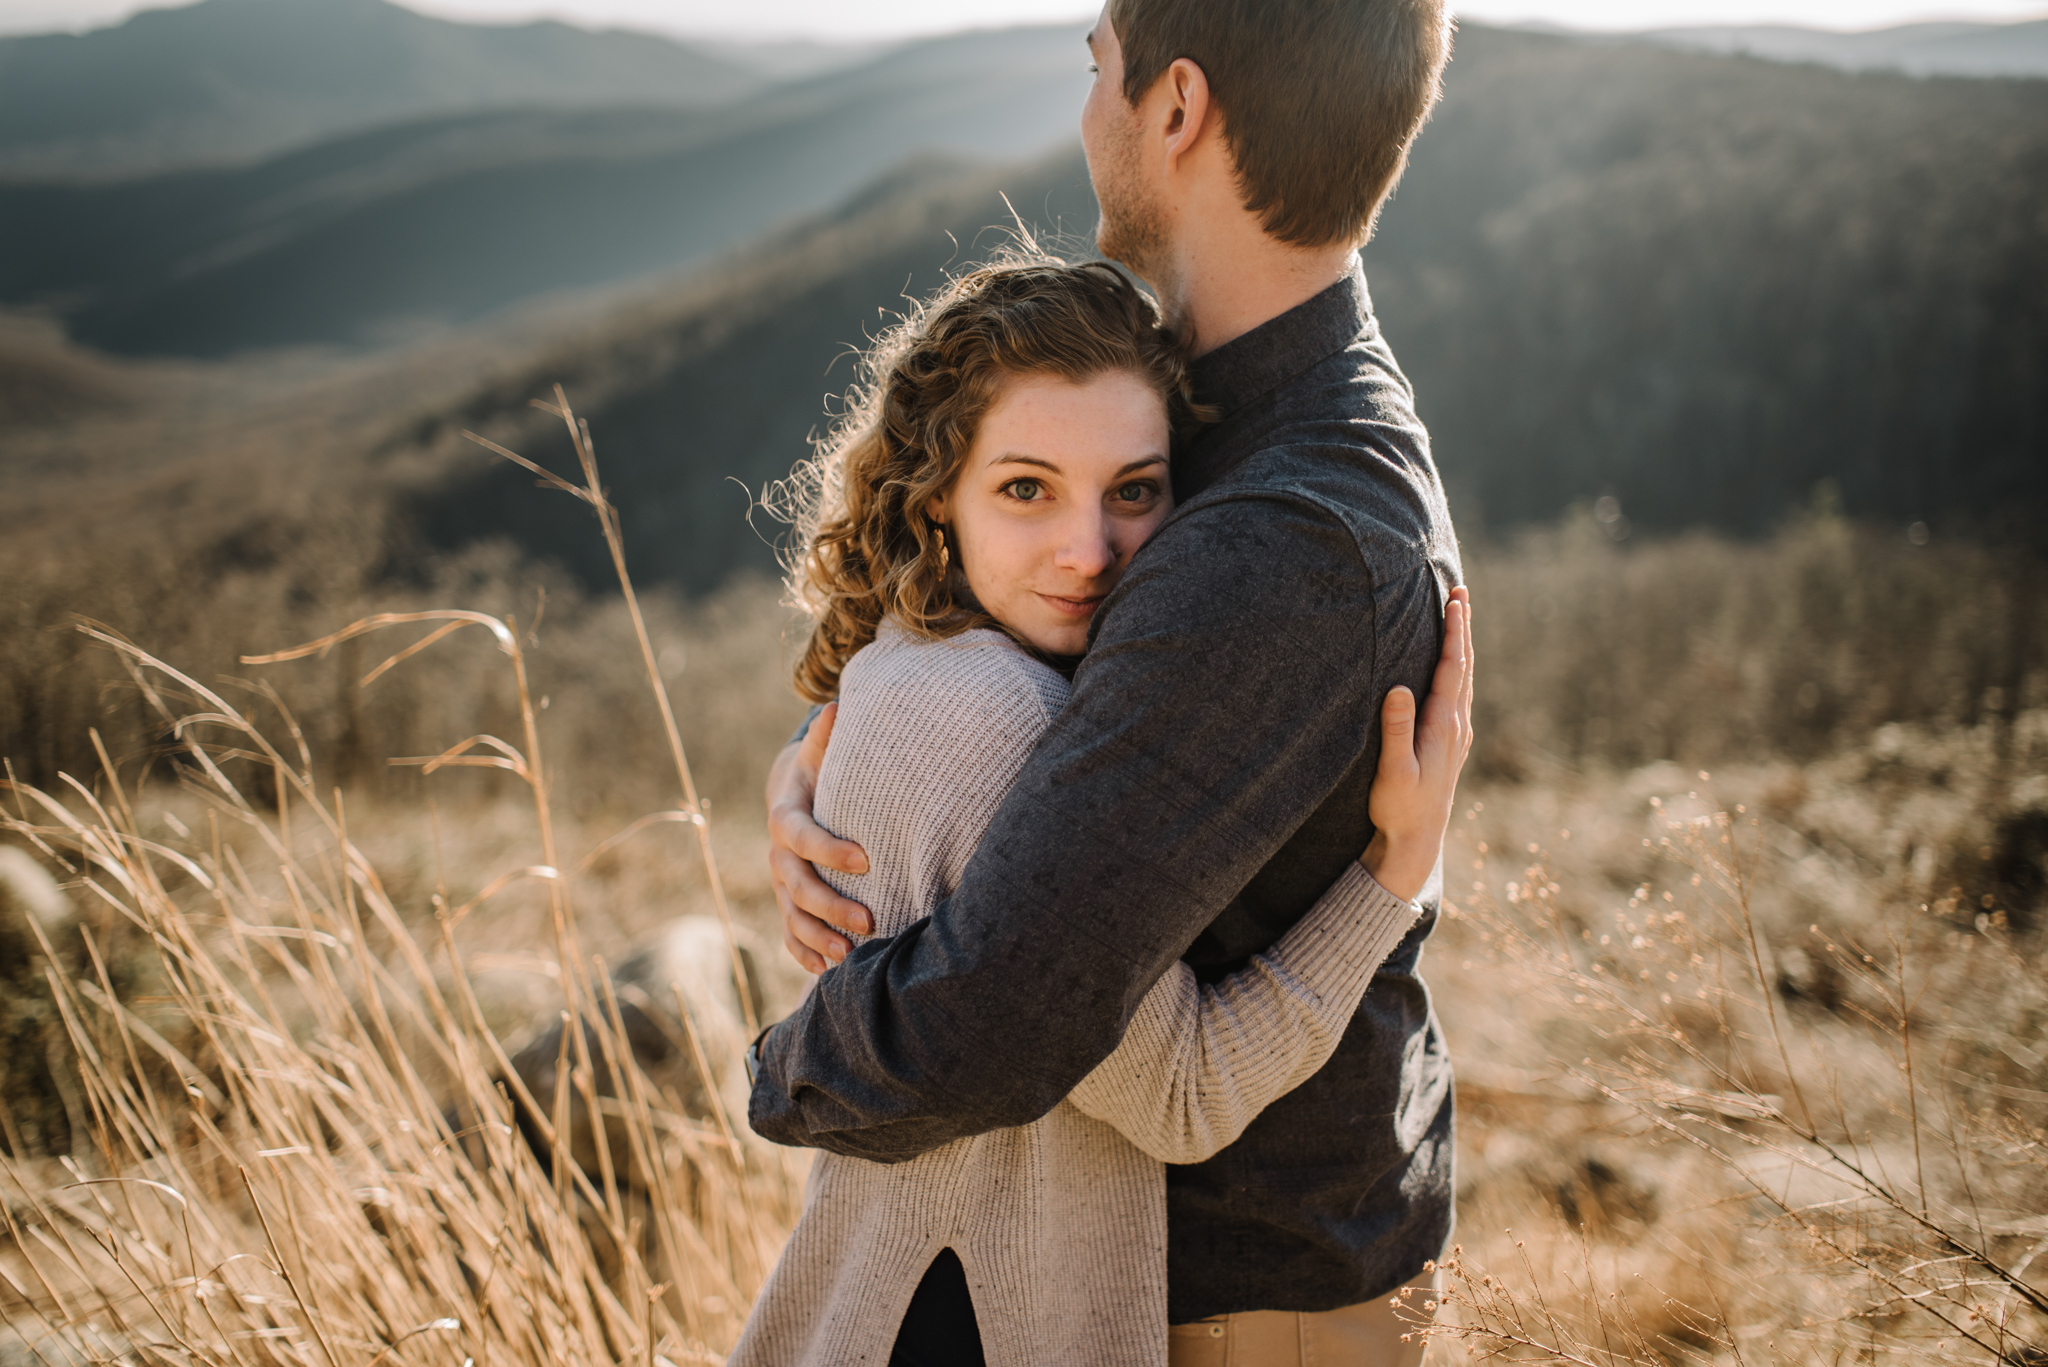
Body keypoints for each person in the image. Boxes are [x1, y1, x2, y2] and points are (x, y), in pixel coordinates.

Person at [754, 0, 1464, 1360]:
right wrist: (833, 770)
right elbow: (1029, 695)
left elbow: (990, 1020)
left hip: (1252, 1302)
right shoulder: (1246, 413)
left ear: (1177, 106)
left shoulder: (1271, 540)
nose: (1087, 115)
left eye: (1098, 70)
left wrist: (783, 1066)